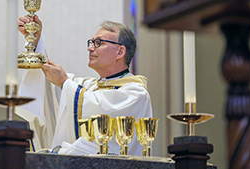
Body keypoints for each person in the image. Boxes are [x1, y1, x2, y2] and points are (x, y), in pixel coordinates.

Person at [16, 15, 153, 155]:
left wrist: (64, 83)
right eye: (91, 42)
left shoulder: (136, 93)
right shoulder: (88, 86)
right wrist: (35, 42)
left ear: (120, 52)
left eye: (99, 43)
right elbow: (50, 88)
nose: (90, 48)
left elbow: (99, 109)